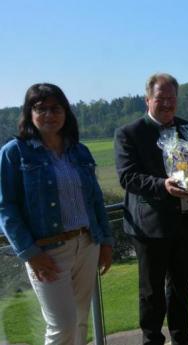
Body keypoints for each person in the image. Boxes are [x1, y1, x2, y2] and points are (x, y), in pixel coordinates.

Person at [0, 83, 113, 345]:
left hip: (87, 244)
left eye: (56, 108)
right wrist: (29, 253)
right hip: (47, 252)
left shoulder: (79, 151)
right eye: (41, 109)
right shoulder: (14, 153)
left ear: (65, 112)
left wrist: (106, 241)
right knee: (62, 325)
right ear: (29, 113)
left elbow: (95, 200)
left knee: (80, 320)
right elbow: (6, 208)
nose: (49, 115)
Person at [114, 73, 188, 345]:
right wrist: (162, 185)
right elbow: (127, 177)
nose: (167, 104)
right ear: (147, 100)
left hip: (186, 219)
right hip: (149, 226)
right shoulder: (129, 133)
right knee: (151, 292)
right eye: (160, 98)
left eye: (171, 98)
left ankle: (182, 337)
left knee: (181, 287)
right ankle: (152, 340)